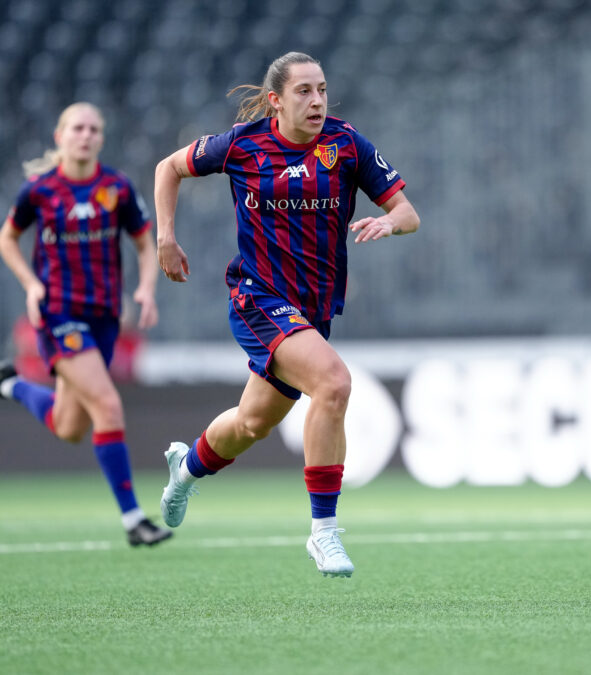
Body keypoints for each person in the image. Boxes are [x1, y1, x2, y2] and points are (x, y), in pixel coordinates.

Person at [154, 52, 419, 577]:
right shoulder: (243, 144)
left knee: (251, 423)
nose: (317, 100)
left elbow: (408, 212)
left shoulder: (345, 145)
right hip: (258, 297)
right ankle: (324, 533)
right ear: (276, 99)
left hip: (313, 311)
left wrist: (391, 224)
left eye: (321, 89)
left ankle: (185, 469)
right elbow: (169, 167)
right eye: (303, 91)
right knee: (334, 383)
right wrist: (166, 236)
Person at [0, 102, 172, 546]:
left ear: (101, 138)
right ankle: (134, 519)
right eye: (77, 127)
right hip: (59, 315)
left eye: (94, 128)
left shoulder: (114, 187)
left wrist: (146, 289)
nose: (86, 135)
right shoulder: (40, 190)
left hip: (104, 318)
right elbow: (8, 238)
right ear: (60, 136)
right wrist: (31, 285)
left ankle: (12, 385)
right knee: (108, 406)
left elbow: (143, 243)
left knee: (69, 425)